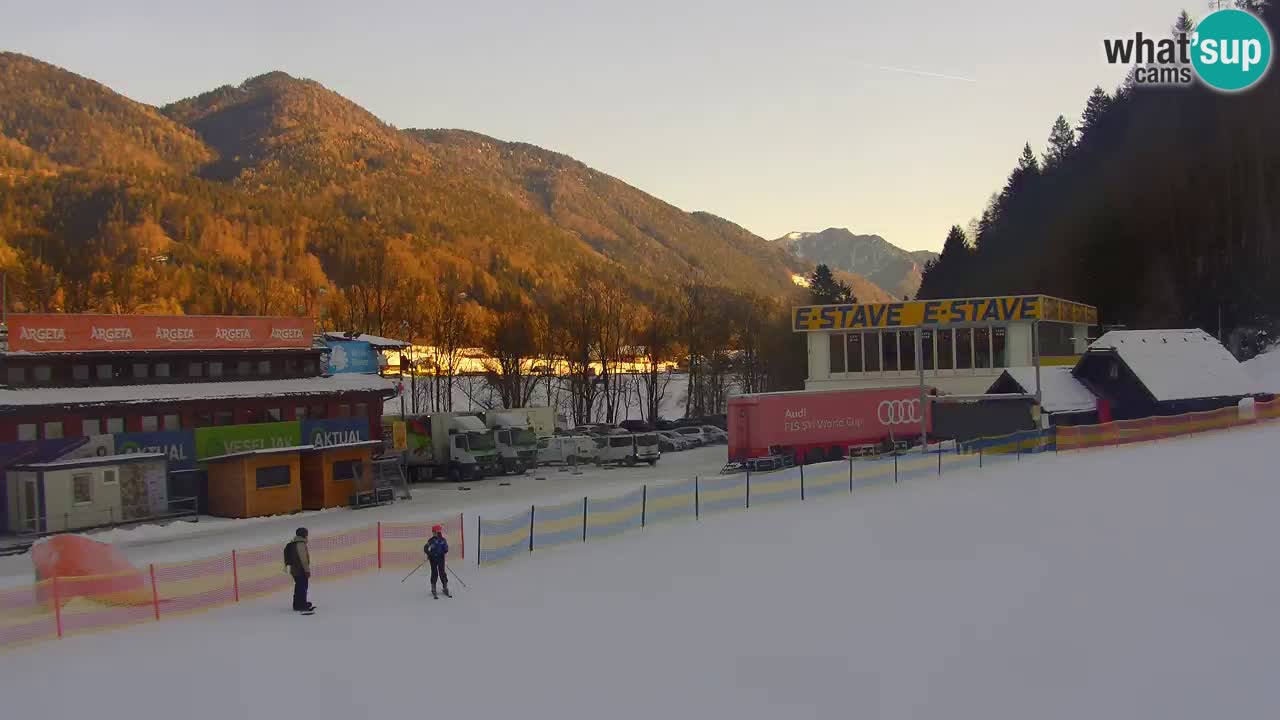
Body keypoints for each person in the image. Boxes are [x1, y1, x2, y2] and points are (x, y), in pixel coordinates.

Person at [283, 527, 314, 612]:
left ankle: (298, 604)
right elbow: (303, 559)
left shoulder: (294, 543)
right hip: (300, 569)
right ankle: (301, 605)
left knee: (299, 587)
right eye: (306, 534)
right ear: (303, 534)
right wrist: (307, 570)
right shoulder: (300, 544)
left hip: (295, 569)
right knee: (302, 587)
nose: (307, 536)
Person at [424, 525, 450, 599]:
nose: (433, 533)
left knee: (439, 572)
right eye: (433, 532)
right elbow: (425, 548)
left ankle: (443, 586)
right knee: (437, 572)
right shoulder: (433, 540)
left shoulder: (439, 540)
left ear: (436, 532)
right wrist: (430, 554)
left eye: (434, 532)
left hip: (439, 558)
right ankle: (436, 587)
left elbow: (446, 549)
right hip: (434, 559)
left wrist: (430, 553)